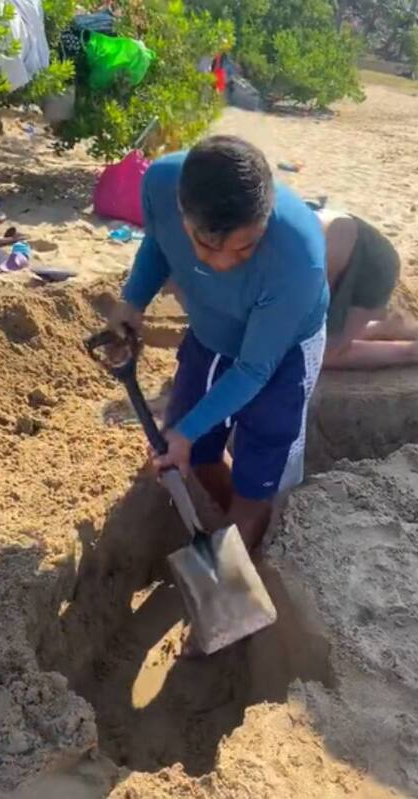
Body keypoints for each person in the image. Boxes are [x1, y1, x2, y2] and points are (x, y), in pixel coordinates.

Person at [108, 135, 328, 556]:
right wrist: (132, 300)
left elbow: (254, 370)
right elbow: (158, 241)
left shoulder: (298, 259)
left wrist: (187, 432)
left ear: (266, 218)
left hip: (282, 352)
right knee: (197, 452)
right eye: (205, 244)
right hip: (210, 331)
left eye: (244, 247)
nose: (222, 262)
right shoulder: (159, 183)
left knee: (258, 477)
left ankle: (246, 550)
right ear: (183, 212)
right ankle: (236, 539)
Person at [313, 203, 418, 370]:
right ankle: (383, 328)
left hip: (364, 262)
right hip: (346, 244)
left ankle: (412, 351)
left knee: (322, 353)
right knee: (303, 339)